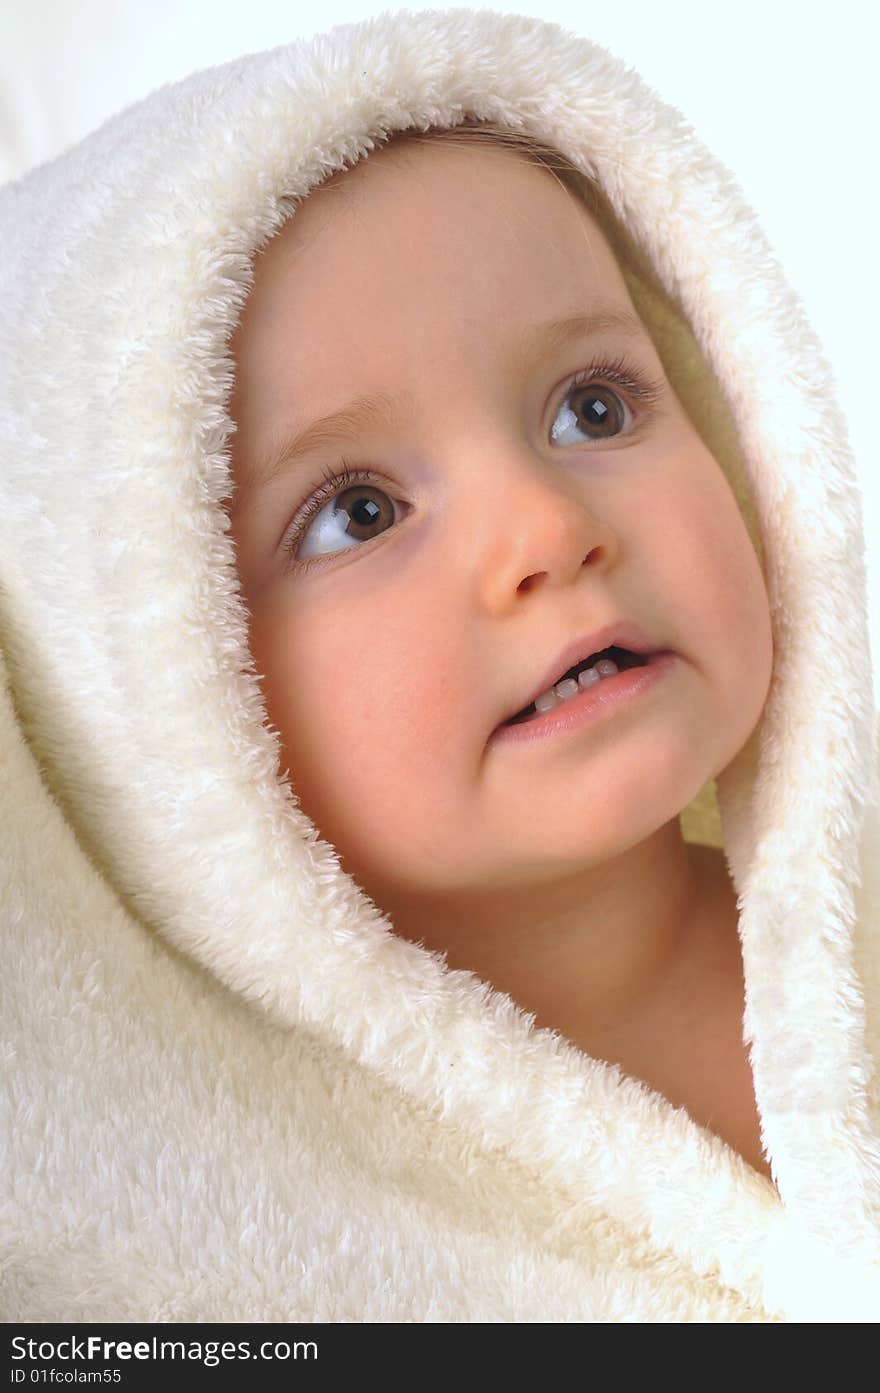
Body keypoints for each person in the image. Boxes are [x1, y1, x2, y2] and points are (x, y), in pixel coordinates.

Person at [1, 6, 879, 1324]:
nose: (547, 529)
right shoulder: (222, 1271)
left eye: (596, 404)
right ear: (157, 696)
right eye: (357, 510)